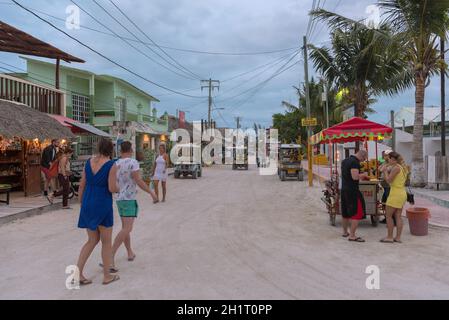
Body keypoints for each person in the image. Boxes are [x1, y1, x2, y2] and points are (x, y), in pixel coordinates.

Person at [105, 141, 158, 272]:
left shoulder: (116, 163)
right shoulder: (133, 162)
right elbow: (138, 180)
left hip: (119, 199)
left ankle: (129, 252)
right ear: (131, 149)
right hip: (129, 199)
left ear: (121, 150)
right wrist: (151, 193)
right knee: (127, 229)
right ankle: (109, 256)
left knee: (125, 228)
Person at [75, 138, 120, 286]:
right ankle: (107, 276)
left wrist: (82, 204)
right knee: (106, 242)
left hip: (88, 202)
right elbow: (112, 188)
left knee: (91, 240)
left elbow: (82, 185)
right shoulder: (111, 165)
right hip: (102, 204)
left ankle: (78, 274)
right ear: (111, 149)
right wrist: (120, 188)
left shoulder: (89, 162)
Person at [380, 151, 408, 243]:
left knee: (388, 216)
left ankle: (389, 237)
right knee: (398, 216)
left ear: (394, 160)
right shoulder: (402, 167)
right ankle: (398, 237)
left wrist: (384, 172)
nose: (388, 160)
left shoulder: (396, 168)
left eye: (390, 159)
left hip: (395, 193)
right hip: (401, 192)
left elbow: (388, 180)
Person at [341, 149, 369, 242]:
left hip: (344, 189)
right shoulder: (354, 162)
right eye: (364, 159)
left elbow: (345, 175)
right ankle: (352, 236)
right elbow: (355, 177)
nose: (363, 161)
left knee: (345, 212)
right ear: (362, 156)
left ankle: (345, 232)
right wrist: (364, 175)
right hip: (352, 190)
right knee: (357, 213)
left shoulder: (345, 160)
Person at [379, 150, 393, 224]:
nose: (383, 157)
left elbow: (382, 169)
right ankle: (386, 217)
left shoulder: (392, 165)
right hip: (384, 186)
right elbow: (379, 168)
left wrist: (383, 168)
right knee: (384, 202)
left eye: (385, 155)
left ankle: (392, 219)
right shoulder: (385, 163)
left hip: (389, 186)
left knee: (389, 203)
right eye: (383, 155)